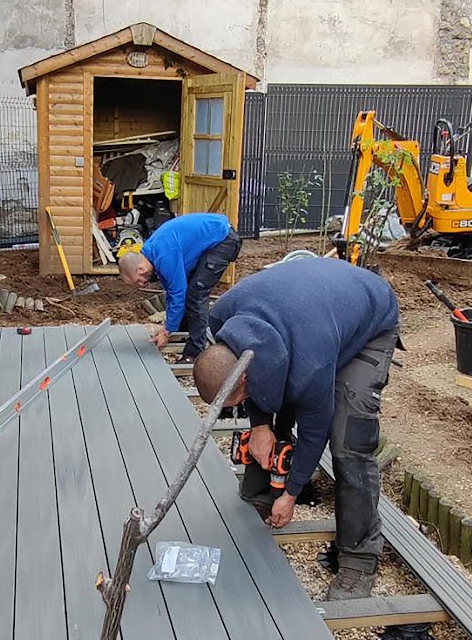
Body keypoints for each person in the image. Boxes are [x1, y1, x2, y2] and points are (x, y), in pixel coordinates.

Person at [192, 257, 401, 600]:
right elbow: (256, 373)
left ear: (242, 377)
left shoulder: (309, 367)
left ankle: (359, 558)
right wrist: (260, 425)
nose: (237, 410)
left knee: (350, 441)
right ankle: (260, 494)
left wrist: (291, 495)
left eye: (236, 401)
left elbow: (315, 433)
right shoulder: (222, 316)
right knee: (278, 393)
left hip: (369, 318)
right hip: (312, 313)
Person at [118, 212, 241, 362]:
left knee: (196, 294)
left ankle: (194, 353)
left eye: (138, 281)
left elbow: (178, 293)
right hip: (212, 238)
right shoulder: (152, 253)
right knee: (188, 291)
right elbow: (171, 293)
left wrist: (167, 330)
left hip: (222, 239)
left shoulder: (164, 256)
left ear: (140, 270)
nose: (141, 285)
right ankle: (181, 335)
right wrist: (169, 327)